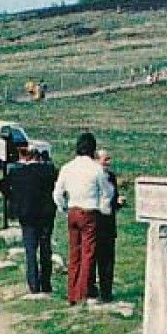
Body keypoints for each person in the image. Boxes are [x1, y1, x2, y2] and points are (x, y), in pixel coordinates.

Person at [52, 131, 110, 305]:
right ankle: (82, 292)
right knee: (88, 254)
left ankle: (71, 292)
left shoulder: (67, 167)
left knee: (74, 253)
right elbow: (106, 192)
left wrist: (63, 207)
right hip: (90, 211)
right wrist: (104, 209)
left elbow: (57, 192)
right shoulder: (96, 169)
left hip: (73, 210)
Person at [0, 142, 59, 295]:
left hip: (26, 214)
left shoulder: (17, 172)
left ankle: (33, 285)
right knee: (45, 248)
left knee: (30, 250)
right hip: (46, 214)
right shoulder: (49, 170)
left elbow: (3, 186)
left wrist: (14, 199)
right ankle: (46, 283)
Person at [89, 150, 124, 303]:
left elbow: (113, 198)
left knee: (107, 259)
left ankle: (106, 292)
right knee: (92, 257)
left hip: (108, 223)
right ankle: (90, 289)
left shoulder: (111, 177)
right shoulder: (91, 176)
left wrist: (118, 203)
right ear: (97, 160)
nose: (108, 162)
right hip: (94, 219)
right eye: (105, 159)